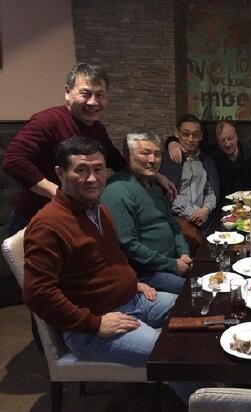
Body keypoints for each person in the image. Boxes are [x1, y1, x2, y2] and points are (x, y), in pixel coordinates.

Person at [22, 137, 191, 401]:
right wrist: (94, 323)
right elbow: (37, 294)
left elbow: (111, 258)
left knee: (194, 309)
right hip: (92, 328)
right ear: (60, 173)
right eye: (81, 170)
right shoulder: (48, 226)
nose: (92, 178)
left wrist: (132, 281)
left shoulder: (97, 209)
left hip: (133, 300)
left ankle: (215, 391)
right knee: (177, 355)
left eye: (98, 169)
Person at [2, 63, 175, 236]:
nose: (93, 102)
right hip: (36, 220)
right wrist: (59, 195)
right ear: (67, 92)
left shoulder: (97, 129)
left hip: (76, 217)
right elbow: (13, 160)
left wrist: (154, 175)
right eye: (86, 94)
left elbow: (117, 162)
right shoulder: (47, 121)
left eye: (100, 95)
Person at [101, 132, 192, 294]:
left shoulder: (155, 186)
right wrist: (173, 265)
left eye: (157, 154)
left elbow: (173, 225)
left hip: (172, 262)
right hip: (147, 273)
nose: (152, 160)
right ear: (127, 155)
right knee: (195, 291)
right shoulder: (116, 190)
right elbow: (129, 245)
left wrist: (184, 252)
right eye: (145, 153)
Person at [168, 120, 251, 197]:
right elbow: (191, 143)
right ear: (217, 141)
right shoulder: (210, 154)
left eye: (230, 138)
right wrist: (172, 143)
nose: (227, 144)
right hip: (223, 208)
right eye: (222, 140)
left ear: (237, 136)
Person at [159, 114, 220, 253]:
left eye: (195, 135)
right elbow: (169, 195)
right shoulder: (167, 159)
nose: (191, 139)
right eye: (186, 134)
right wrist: (193, 213)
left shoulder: (206, 160)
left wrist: (206, 210)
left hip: (205, 218)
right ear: (177, 133)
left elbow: (211, 190)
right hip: (177, 219)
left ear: (201, 136)